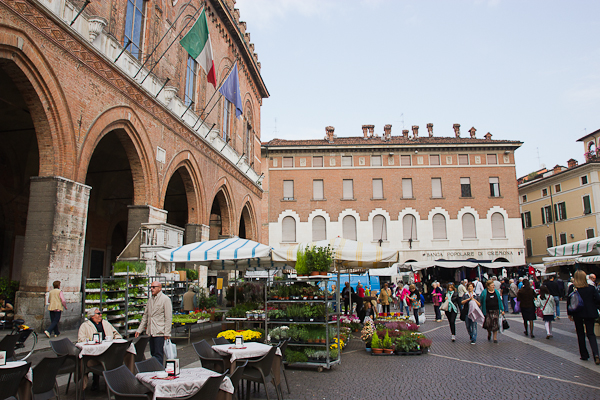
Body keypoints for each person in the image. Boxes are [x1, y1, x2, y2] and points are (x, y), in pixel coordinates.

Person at [78, 308, 122, 390]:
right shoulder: (85, 326)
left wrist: (117, 339)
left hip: (108, 354)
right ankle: (94, 382)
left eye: (100, 313)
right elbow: (81, 339)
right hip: (92, 355)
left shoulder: (106, 323)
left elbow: (116, 333)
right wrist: (91, 341)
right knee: (92, 360)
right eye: (98, 313)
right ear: (92, 316)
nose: (101, 314)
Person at [136, 281, 172, 365]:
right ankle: (154, 370)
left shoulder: (165, 299)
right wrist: (139, 329)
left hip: (159, 331)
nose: (151, 289)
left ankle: (159, 370)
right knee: (153, 353)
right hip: (151, 331)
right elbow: (145, 316)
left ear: (159, 288)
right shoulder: (150, 300)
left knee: (158, 353)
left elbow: (168, 317)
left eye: (154, 287)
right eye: (151, 287)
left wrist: (167, 333)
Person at [567, 270, 600, 363]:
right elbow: (598, 300)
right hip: (590, 312)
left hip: (577, 312)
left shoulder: (572, 288)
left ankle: (584, 354)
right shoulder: (591, 288)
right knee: (591, 334)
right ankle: (596, 354)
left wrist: (569, 313)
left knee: (580, 334)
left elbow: (569, 301)